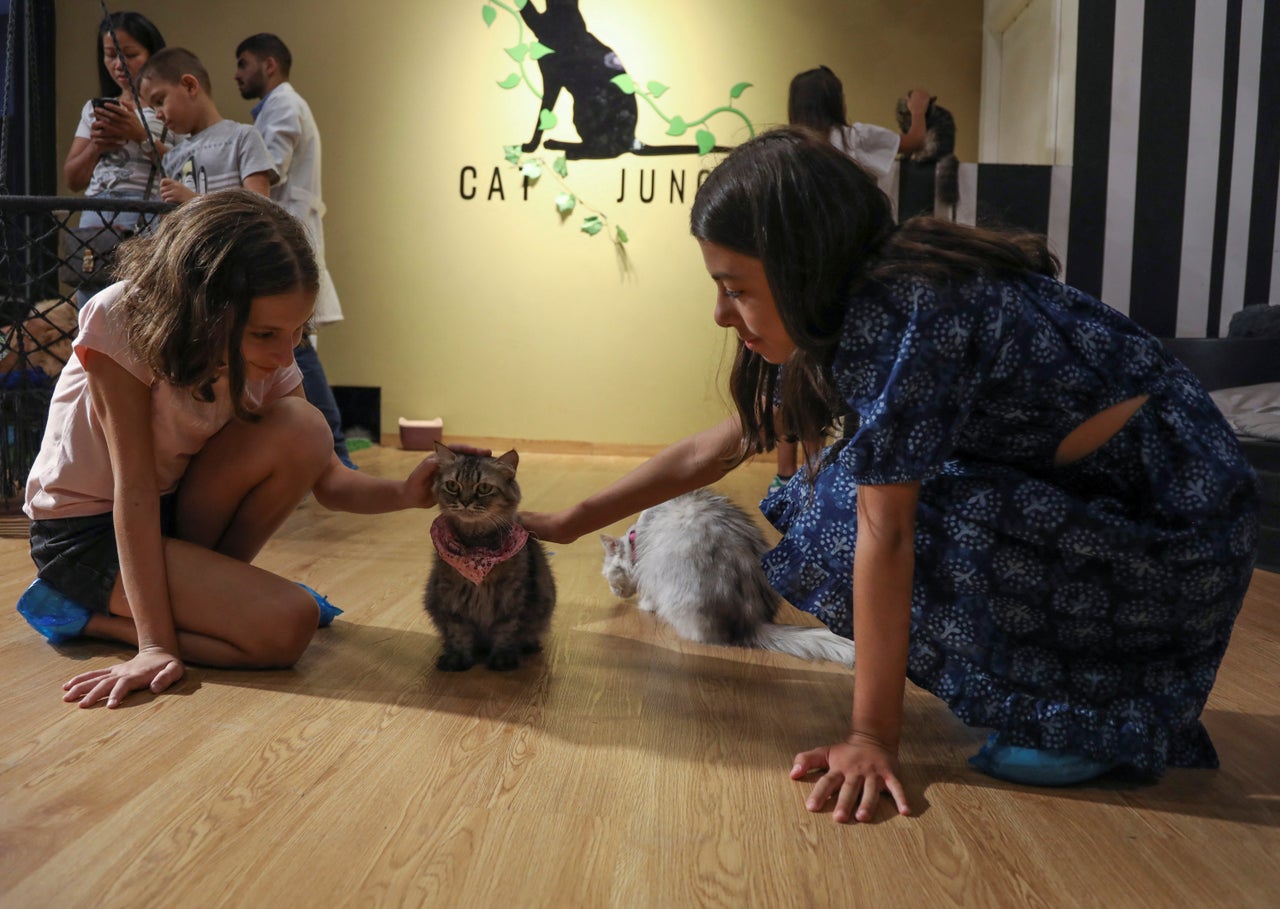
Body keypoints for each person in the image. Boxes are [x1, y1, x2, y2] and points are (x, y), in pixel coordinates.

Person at [521, 127, 1259, 823]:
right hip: (1125, 519)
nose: (720, 313)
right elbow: (713, 449)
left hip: (1176, 546)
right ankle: (1057, 693)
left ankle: (1087, 717)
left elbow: (889, 529)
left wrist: (872, 735)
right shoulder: (861, 300)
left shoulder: (906, 316)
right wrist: (570, 519)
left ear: (800, 267)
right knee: (846, 491)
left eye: (736, 286)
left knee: (844, 503)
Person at [17, 190, 473, 710]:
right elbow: (134, 490)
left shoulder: (267, 352)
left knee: (305, 426)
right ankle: (84, 613)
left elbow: (328, 479)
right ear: (207, 309)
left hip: (165, 511)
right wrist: (155, 646)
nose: (285, 353)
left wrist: (404, 492)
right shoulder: (121, 317)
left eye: (298, 332)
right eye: (266, 334)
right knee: (288, 625)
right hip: (87, 534)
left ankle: (195, 600)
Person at [769, 66, 931, 488]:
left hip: (805, 272)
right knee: (854, 364)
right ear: (838, 102)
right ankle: (845, 462)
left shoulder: (789, 150)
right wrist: (916, 110)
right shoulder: (857, 138)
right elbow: (914, 143)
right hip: (863, 269)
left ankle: (792, 469)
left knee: (795, 365)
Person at [233, 33, 355, 470]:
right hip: (284, 234)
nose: (237, 74)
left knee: (294, 345)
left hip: (285, 238)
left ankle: (336, 457)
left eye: (243, 64)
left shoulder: (283, 105)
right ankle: (329, 457)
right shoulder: (277, 107)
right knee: (294, 346)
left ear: (269, 65)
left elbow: (267, 170)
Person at [63, 11, 171, 308]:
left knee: (140, 305)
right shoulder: (96, 108)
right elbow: (73, 179)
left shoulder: (167, 107)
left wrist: (140, 135)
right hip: (96, 210)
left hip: (145, 209)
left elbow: (184, 165)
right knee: (93, 300)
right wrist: (96, 146)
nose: (118, 64)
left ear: (152, 54)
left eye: (130, 54)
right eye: (110, 55)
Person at [138, 47, 276, 203]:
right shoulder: (171, 159)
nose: (157, 114)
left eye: (160, 101)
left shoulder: (244, 138)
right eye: (152, 108)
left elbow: (260, 209)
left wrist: (194, 201)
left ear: (190, 85)